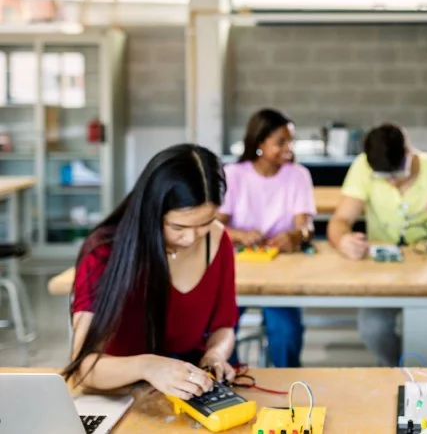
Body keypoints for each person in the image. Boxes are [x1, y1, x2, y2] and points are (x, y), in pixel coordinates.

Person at [64, 144, 237, 399]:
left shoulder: (218, 241)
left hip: (187, 389)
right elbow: (84, 368)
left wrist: (215, 354)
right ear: (152, 211)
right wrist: (148, 366)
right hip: (118, 391)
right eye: (178, 227)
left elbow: (224, 326)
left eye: (205, 223)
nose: (191, 238)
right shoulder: (103, 253)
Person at [327, 123, 427, 367]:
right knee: (373, 330)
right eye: (384, 177)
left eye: (397, 173)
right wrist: (343, 240)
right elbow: (340, 220)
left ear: (409, 152)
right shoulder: (362, 166)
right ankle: (400, 370)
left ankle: (424, 373)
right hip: (383, 274)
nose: (392, 181)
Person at [218, 108, 315, 368]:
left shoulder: (298, 175)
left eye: (291, 141)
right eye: (281, 142)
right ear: (259, 143)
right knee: (219, 333)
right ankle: (232, 378)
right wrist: (241, 235)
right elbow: (214, 225)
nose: (289, 148)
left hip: (280, 273)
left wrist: (296, 235)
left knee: (286, 333)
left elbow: (305, 225)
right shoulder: (234, 174)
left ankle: (286, 385)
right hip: (237, 274)